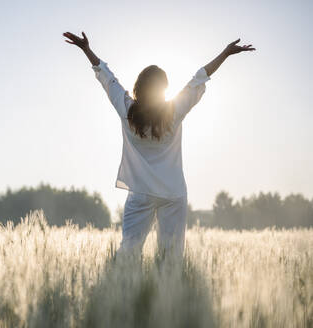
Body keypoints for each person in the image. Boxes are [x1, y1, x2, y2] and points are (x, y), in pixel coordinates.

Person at [63, 31, 255, 260]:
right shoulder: (174, 111)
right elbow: (199, 78)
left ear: (139, 87)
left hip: (141, 192)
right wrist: (225, 53)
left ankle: (125, 293)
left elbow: (108, 79)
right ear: (163, 89)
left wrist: (86, 50)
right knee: (171, 257)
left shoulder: (127, 110)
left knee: (129, 252)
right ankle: (167, 294)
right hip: (172, 193)